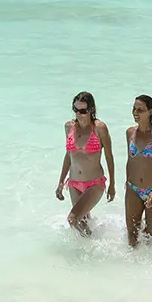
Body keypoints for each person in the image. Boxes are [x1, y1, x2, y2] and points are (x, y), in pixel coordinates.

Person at [56, 91, 114, 234]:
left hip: (94, 183)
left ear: (91, 110)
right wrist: (61, 181)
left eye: (82, 110)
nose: (78, 114)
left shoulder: (100, 128)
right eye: (75, 109)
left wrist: (112, 184)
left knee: (73, 219)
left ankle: (93, 247)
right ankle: (89, 250)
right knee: (83, 221)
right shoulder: (69, 127)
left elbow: (109, 157)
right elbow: (69, 156)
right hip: (74, 183)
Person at [123, 94, 152, 247]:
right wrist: (127, 183)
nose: (135, 112)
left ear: (150, 111)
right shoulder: (130, 133)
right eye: (134, 109)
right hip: (133, 189)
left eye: (140, 110)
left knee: (150, 238)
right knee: (132, 237)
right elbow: (130, 161)